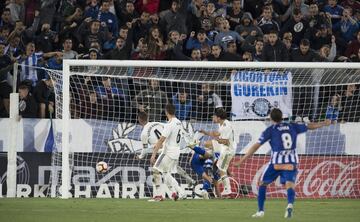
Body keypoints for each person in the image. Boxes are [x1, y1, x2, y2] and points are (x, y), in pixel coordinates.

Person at [234, 108, 331, 218]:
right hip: (291, 162)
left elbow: (256, 146)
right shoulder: (292, 126)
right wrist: (324, 123)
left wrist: (242, 160)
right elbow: (310, 126)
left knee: (262, 184)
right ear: (282, 117)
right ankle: (289, 205)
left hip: (276, 163)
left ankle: (260, 211)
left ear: (271, 118)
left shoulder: (270, 130)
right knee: (290, 185)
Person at [137, 111, 195, 197]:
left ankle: (161, 194)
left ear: (139, 120)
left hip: (164, 151)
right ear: (147, 118)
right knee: (168, 170)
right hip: (173, 148)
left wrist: (140, 156)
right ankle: (178, 190)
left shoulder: (144, 133)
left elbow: (145, 150)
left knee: (159, 170)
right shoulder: (158, 123)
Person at [149, 104, 183, 201]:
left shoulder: (169, 124)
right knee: (165, 172)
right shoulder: (179, 122)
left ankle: (159, 196)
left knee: (155, 169)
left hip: (168, 152)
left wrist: (154, 154)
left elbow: (161, 140)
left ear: (166, 112)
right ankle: (174, 193)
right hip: (176, 151)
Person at [201, 108, 235, 197]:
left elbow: (226, 141)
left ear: (219, 117)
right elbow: (218, 134)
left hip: (228, 151)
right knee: (221, 169)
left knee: (222, 169)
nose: (213, 118)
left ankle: (228, 190)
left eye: (214, 116)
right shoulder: (222, 124)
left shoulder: (226, 126)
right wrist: (207, 133)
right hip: (225, 150)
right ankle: (228, 191)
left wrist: (217, 140)